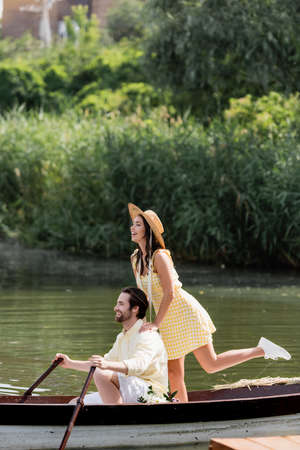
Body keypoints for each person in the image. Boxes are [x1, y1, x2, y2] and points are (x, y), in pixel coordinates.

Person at [128, 202, 292, 403]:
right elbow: (143, 296)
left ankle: (262, 349)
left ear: (148, 231)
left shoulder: (160, 256)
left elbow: (170, 293)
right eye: (132, 224)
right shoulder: (136, 259)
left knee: (211, 365)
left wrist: (155, 324)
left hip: (183, 313)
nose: (132, 228)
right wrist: (138, 323)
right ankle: (182, 414)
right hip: (165, 320)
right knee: (173, 373)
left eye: (137, 225)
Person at [54, 286, 168, 404]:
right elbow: (100, 365)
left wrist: (106, 365)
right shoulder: (122, 337)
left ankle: (116, 418)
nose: (115, 308)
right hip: (130, 388)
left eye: (121, 304)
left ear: (135, 308)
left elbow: (139, 365)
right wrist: (69, 363)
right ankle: (113, 414)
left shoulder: (147, 335)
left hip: (151, 393)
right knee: (74, 403)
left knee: (101, 373)